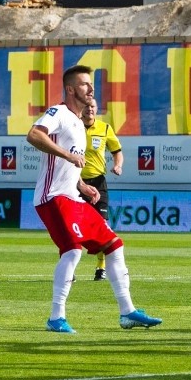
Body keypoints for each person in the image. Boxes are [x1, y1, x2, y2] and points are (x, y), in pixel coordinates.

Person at [27, 65, 161, 334]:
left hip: (73, 196)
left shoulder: (78, 122)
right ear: (70, 89)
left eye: (90, 84)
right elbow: (34, 135)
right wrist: (67, 155)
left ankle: (127, 312)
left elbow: (69, 163)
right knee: (73, 250)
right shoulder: (59, 113)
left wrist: (82, 185)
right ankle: (56, 317)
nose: (90, 89)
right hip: (52, 197)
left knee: (114, 244)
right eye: (85, 84)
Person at [80, 98, 124, 281]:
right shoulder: (73, 127)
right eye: (86, 106)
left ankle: (101, 267)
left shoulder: (104, 128)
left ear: (97, 109)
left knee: (102, 225)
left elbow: (117, 151)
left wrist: (118, 166)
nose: (89, 109)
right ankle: (69, 269)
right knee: (74, 228)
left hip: (98, 182)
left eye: (92, 106)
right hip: (76, 183)